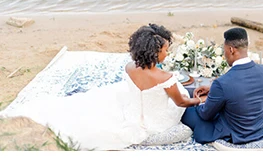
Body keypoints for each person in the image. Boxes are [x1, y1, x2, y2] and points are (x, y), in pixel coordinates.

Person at [0, 23, 202, 150]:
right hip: (155, 121)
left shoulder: (130, 66)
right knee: (184, 122)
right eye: (166, 49)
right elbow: (182, 102)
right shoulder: (164, 77)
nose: (167, 53)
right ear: (155, 52)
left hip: (134, 109)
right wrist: (199, 99)